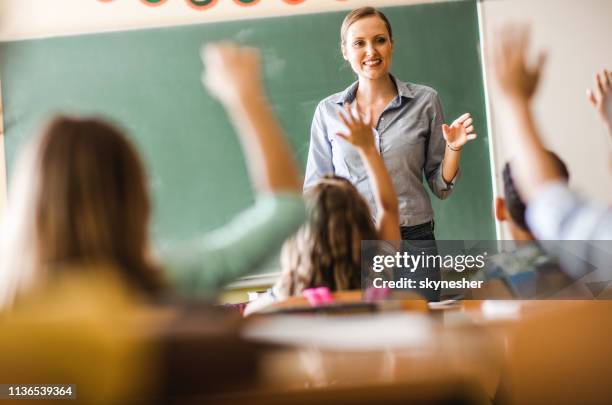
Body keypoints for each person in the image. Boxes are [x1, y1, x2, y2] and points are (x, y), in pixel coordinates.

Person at [0, 43, 306, 309]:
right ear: (135, 194)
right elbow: (285, 209)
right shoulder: (164, 282)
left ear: (28, 199)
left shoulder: (13, 304)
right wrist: (245, 96)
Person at [304, 6, 477, 242]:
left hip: (414, 236)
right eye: (359, 43)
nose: (371, 51)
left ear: (391, 45)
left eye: (379, 40)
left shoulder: (425, 101)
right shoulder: (329, 111)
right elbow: (315, 190)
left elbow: (440, 186)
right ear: (345, 50)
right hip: (351, 240)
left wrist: (453, 148)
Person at [244, 103, 400, 315]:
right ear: (363, 225)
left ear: (299, 236)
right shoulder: (377, 281)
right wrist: (368, 150)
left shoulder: (275, 304)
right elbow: (388, 209)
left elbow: (251, 314)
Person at [491, 26, 611, 281]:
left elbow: (554, 205)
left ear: (499, 208)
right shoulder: (592, 283)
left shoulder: (493, 283)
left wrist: (515, 99)